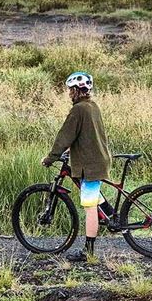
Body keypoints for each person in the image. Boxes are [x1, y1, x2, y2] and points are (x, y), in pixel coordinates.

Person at [42, 71, 111, 262]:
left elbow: (64, 136)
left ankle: (88, 252)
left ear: (75, 90)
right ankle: (111, 214)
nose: (68, 93)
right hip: (98, 159)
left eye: (69, 90)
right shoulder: (92, 106)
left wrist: (51, 157)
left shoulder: (79, 109)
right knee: (93, 199)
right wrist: (69, 153)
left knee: (89, 208)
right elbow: (85, 135)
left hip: (90, 164)